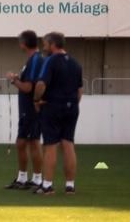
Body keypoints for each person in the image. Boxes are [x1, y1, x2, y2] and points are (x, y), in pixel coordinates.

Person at [33, 32, 83, 195]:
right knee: (68, 144)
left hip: (52, 107)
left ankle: (47, 185)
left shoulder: (50, 61)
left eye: (45, 44)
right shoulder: (75, 63)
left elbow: (41, 84)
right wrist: (72, 104)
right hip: (72, 107)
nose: (44, 47)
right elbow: (80, 90)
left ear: (53, 44)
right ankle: (70, 185)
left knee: (51, 146)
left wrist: (36, 100)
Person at [5, 30, 44, 190]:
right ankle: (24, 178)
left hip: (31, 109)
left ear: (23, 43)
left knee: (30, 142)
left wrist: (13, 80)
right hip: (27, 109)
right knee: (24, 143)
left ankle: (36, 178)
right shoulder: (32, 60)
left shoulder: (35, 60)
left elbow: (28, 87)